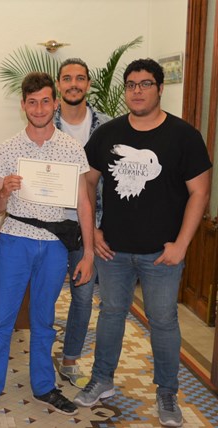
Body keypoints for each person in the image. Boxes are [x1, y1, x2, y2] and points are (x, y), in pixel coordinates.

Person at [74, 59, 212, 428]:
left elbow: (200, 192)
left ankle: (166, 393)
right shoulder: (108, 133)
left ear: (159, 88)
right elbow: (86, 181)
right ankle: (102, 379)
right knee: (112, 315)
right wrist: (96, 232)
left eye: (145, 83)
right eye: (131, 84)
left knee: (164, 322)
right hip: (113, 251)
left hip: (162, 254)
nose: (137, 90)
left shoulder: (184, 136)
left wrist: (182, 245)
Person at [0, 72, 94, 420]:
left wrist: (91, 253)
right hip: (15, 240)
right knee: (1, 318)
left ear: (55, 104)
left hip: (54, 245)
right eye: (32, 102)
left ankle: (44, 385)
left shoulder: (70, 148)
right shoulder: (8, 148)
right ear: (23, 105)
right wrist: (5, 190)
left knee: (44, 319)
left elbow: (83, 203)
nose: (39, 108)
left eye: (45, 101)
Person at [53, 58, 111, 388]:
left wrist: (101, 228)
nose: (73, 83)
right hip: (50, 224)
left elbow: (113, 183)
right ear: (59, 84)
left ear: (88, 84)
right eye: (67, 78)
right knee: (45, 295)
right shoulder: (46, 122)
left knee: (83, 295)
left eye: (80, 78)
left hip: (91, 224)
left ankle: (71, 357)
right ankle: (41, 351)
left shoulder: (107, 126)